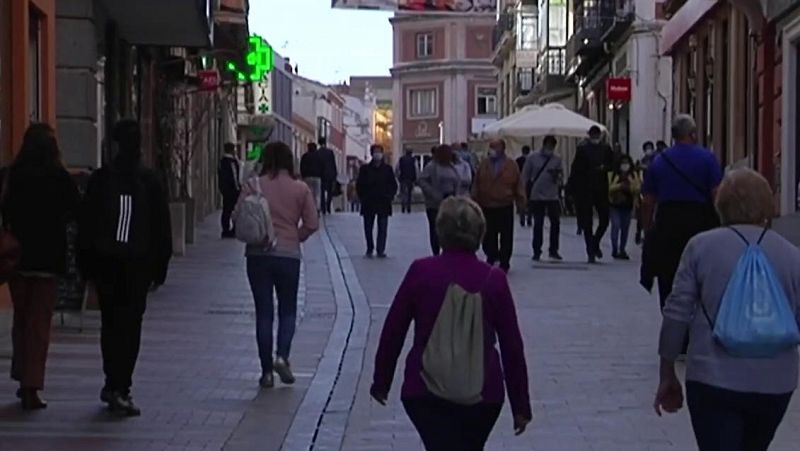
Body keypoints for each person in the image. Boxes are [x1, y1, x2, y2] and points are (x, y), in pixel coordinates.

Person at [654, 169, 800, 451]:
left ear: (720, 204)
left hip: (713, 379)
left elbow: (676, 313)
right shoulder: (791, 255)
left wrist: (667, 371)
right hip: (776, 383)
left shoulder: (701, 247)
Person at [371, 196, 532, 450]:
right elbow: (512, 346)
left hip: (425, 390)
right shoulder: (495, 280)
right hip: (482, 394)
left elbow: (394, 329)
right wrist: (520, 405)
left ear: (440, 232)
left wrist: (382, 380)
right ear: (480, 234)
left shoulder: (421, 271)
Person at [78, 120, 172, 416]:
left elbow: (86, 225)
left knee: (110, 325)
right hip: (138, 267)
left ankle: (112, 381)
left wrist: (86, 267)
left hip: (106, 265)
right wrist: (159, 269)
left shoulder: (101, 179)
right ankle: (122, 387)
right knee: (130, 328)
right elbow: (162, 229)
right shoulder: (150, 180)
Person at [1, 123, 79, 410]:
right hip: (47, 261)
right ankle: (32, 386)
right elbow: (74, 209)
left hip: (17, 259)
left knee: (21, 321)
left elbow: (5, 210)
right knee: (38, 326)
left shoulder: (13, 175)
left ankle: (22, 376)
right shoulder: (58, 177)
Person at [238, 141, 319, 389]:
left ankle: (265, 373)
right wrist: (296, 236)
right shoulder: (300, 188)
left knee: (264, 312)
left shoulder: (253, 185)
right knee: (288, 310)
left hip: (257, 255)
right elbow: (312, 223)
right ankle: (282, 356)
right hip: (288, 255)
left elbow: (236, 215)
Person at [640, 114, 722, 310]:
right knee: (700, 271)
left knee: (669, 273)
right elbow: (717, 195)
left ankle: (670, 314)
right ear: (693, 134)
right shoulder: (707, 159)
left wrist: (647, 229)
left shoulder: (659, 162)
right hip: (700, 222)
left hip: (668, 223)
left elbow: (648, 201)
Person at [472, 139, 526, 272]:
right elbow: (476, 183)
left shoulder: (511, 165)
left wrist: (521, 202)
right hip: (487, 205)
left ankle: (504, 261)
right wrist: (474, 200)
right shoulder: (484, 164)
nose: (491, 150)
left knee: (506, 235)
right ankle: (491, 257)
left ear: (502, 148)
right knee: (489, 234)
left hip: (505, 205)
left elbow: (518, 184)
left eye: (494, 147)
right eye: (490, 147)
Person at [568, 126, 614, 263]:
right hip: (585, 189)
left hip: (601, 188)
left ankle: (595, 242)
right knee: (587, 222)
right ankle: (590, 250)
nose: (595, 138)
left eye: (597, 135)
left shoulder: (606, 149)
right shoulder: (582, 149)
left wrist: (604, 168)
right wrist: (572, 188)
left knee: (604, 220)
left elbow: (612, 164)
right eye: (593, 135)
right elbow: (575, 169)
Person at [418, 144, 465, 256]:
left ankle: (447, 250)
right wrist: (432, 193)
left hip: (450, 201)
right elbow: (422, 181)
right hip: (435, 203)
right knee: (435, 229)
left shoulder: (451, 166)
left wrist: (457, 195)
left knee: (449, 227)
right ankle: (436, 252)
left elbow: (458, 181)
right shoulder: (432, 167)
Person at [522, 135, 563, 261]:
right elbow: (525, 176)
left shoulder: (557, 159)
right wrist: (523, 193)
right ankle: (536, 250)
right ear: (544, 145)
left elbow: (561, 176)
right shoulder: (532, 158)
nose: (550, 149)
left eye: (553, 146)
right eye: (549, 146)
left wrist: (557, 176)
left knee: (555, 223)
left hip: (553, 195)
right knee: (538, 223)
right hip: (537, 195)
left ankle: (553, 250)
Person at [357, 145, 398, 258]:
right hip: (368, 201)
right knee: (368, 227)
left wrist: (390, 195)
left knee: (383, 227)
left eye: (379, 152)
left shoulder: (387, 169)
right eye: (375, 152)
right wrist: (362, 196)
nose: (377, 154)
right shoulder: (365, 169)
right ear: (371, 154)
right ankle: (370, 247)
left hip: (383, 201)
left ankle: (381, 249)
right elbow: (359, 184)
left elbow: (393, 184)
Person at [608, 154, 641, 260]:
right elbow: (608, 188)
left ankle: (622, 249)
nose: (625, 165)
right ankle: (614, 249)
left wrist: (630, 185)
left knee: (625, 228)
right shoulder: (612, 174)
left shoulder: (634, 175)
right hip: (614, 205)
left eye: (627, 163)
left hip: (628, 205)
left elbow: (637, 188)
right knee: (616, 226)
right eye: (623, 163)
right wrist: (620, 186)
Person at [635, 141, 657, 245]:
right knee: (643, 213)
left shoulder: (656, 159)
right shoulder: (644, 159)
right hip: (646, 190)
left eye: (650, 148)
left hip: (654, 190)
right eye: (647, 148)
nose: (648, 150)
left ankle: (648, 233)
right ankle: (642, 232)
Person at [218, 143, 241, 238]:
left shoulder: (226, 162)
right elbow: (233, 177)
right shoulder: (229, 162)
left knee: (227, 210)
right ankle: (230, 229)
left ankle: (227, 229)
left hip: (229, 189)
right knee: (231, 210)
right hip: (231, 190)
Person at [300, 142, 324, 212]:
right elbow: (322, 167)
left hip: (307, 177)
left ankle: (309, 207)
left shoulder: (305, 156)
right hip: (317, 177)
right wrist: (321, 175)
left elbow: (302, 166)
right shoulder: (319, 156)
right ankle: (317, 208)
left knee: (308, 193)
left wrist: (303, 175)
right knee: (317, 194)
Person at [317, 137, 338, 215]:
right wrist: (335, 174)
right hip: (330, 174)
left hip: (321, 175)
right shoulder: (330, 152)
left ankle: (323, 208)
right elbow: (333, 163)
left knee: (322, 191)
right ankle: (328, 206)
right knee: (330, 192)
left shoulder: (318, 152)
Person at [396, 148, 418, 213]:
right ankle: (408, 207)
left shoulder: (401, 159)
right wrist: (416, 179)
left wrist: (398, 177)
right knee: (409, 194)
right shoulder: (413, 160)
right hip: (410, 179)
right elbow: (416, 169)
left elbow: (397, 169)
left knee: (403, 193)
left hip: (402, 178)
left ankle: (403, 207)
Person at [516, 146, 533, 227]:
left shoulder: (518, 160)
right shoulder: (532, 161)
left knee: (522, 201)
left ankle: (522, 219)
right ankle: (529, 219)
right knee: (530, 202)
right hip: (530, 183)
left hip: (521, 183)